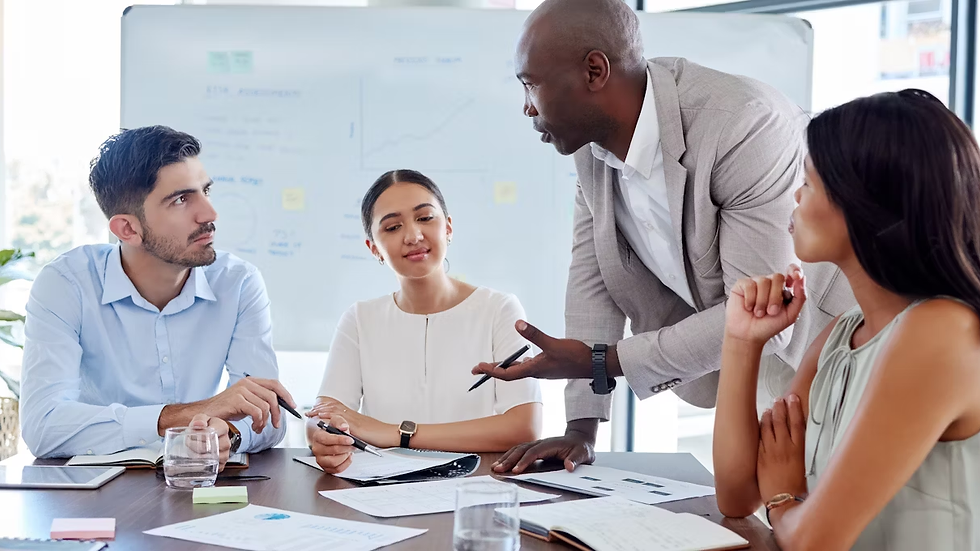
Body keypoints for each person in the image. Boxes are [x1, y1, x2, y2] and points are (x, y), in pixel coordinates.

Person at [470, 0, 853, 473]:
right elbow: (592, 279)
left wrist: (605, 362)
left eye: (531, 84)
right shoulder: (591, 151)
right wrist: (580, 429)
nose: (526, 107)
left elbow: (761, 310)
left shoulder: (742, 124)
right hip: (743, 366)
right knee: (767, 516)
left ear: (594, 71)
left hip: (834, 348)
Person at [713, 90, 980, 550]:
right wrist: (743, 341)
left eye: (809, 181)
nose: (795, 196)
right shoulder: (840, 337)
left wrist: (782, 499)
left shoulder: (942, 330)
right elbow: (736, 496)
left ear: (864, 205)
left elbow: (815, 540)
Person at [20, 126, 296, 471]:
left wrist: (227, 432)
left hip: (202, 486)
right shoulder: (66, 284)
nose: (210, 214)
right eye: (181, 199)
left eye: (205, 190)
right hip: (95, 496)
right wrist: (186, 415)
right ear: (128, 229)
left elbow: (269, 415)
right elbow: (44, 425)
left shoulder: (238, 282)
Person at [305, 170, 542, 474]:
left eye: (426, 218)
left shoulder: (499, 309)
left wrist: (394, 432)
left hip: (475, 487)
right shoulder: (359, 319)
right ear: (374, 248)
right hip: (380, 490)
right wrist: (322, 438)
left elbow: (525, 426)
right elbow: (323, 415)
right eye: (392, 227)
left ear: (449, 227)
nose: (413, 236)